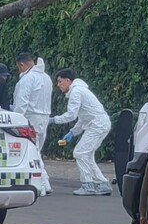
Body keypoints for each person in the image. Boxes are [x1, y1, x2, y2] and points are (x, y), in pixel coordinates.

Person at [48, 68, 112, 196]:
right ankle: (102, 184)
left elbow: (71, 115)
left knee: (80, 153)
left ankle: (88, 185)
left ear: (68, 80)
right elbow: (83, 118)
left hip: (97, 125)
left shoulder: (76, 91)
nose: (58, 85)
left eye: (60, 81)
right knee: (86, 155)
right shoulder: (80, 90)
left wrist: (53, 120)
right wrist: (72, 133)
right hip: (99, 124)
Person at [13, 52, 52, 195]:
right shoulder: (46, 78)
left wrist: (16, 120)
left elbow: (21, 102)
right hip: (44, 117)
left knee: (33, 150)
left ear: (22, 65)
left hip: (31, 118)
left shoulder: (27, 79)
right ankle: (45, 182)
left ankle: (41, 185)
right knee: (37, 149)